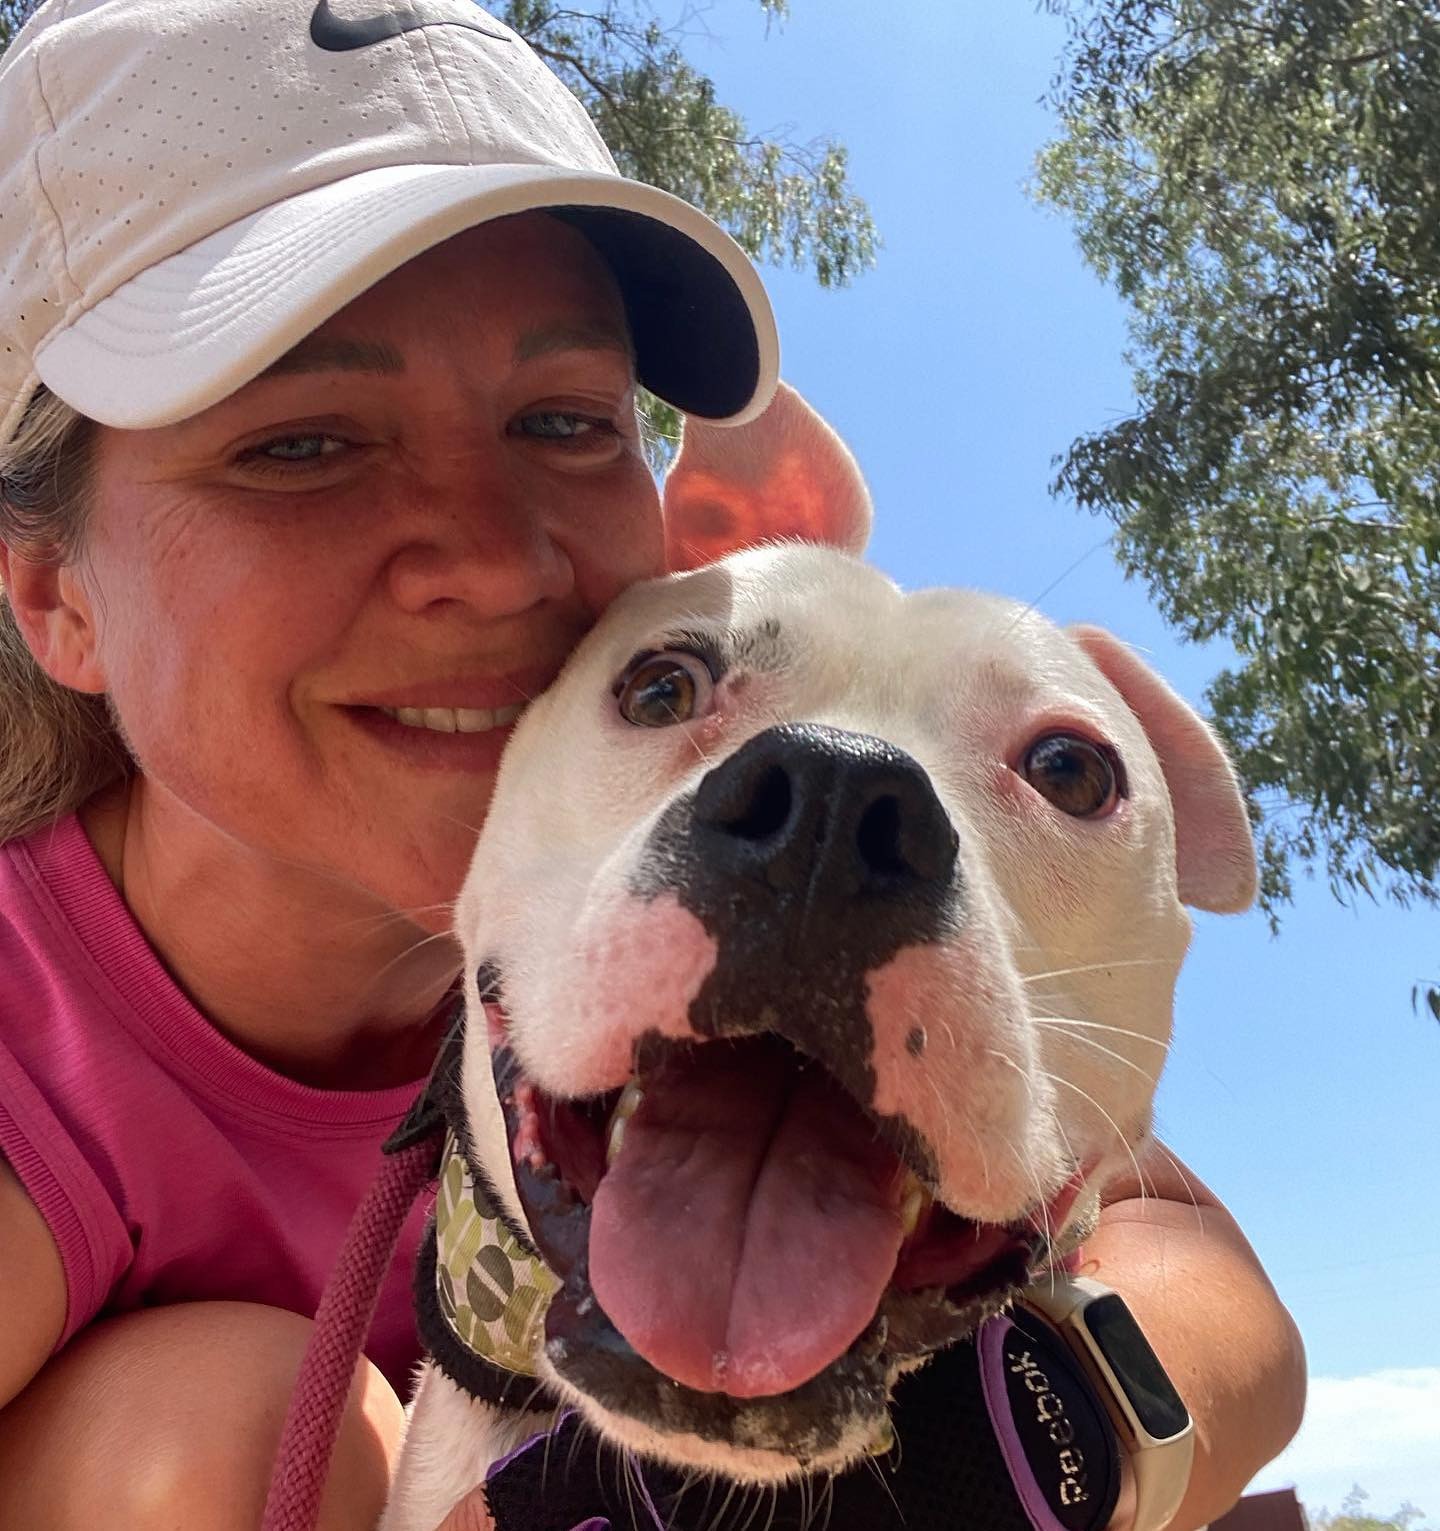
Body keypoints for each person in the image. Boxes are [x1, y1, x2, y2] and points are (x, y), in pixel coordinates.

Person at [0, 0, 1304, 1526]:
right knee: (209, 1430)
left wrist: (1040, 1450)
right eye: (302, 444)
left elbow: (1215, 1297)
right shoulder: (40, 1064)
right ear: (51, 595)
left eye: (562, 420)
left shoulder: (652, 859)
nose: (494, 563)